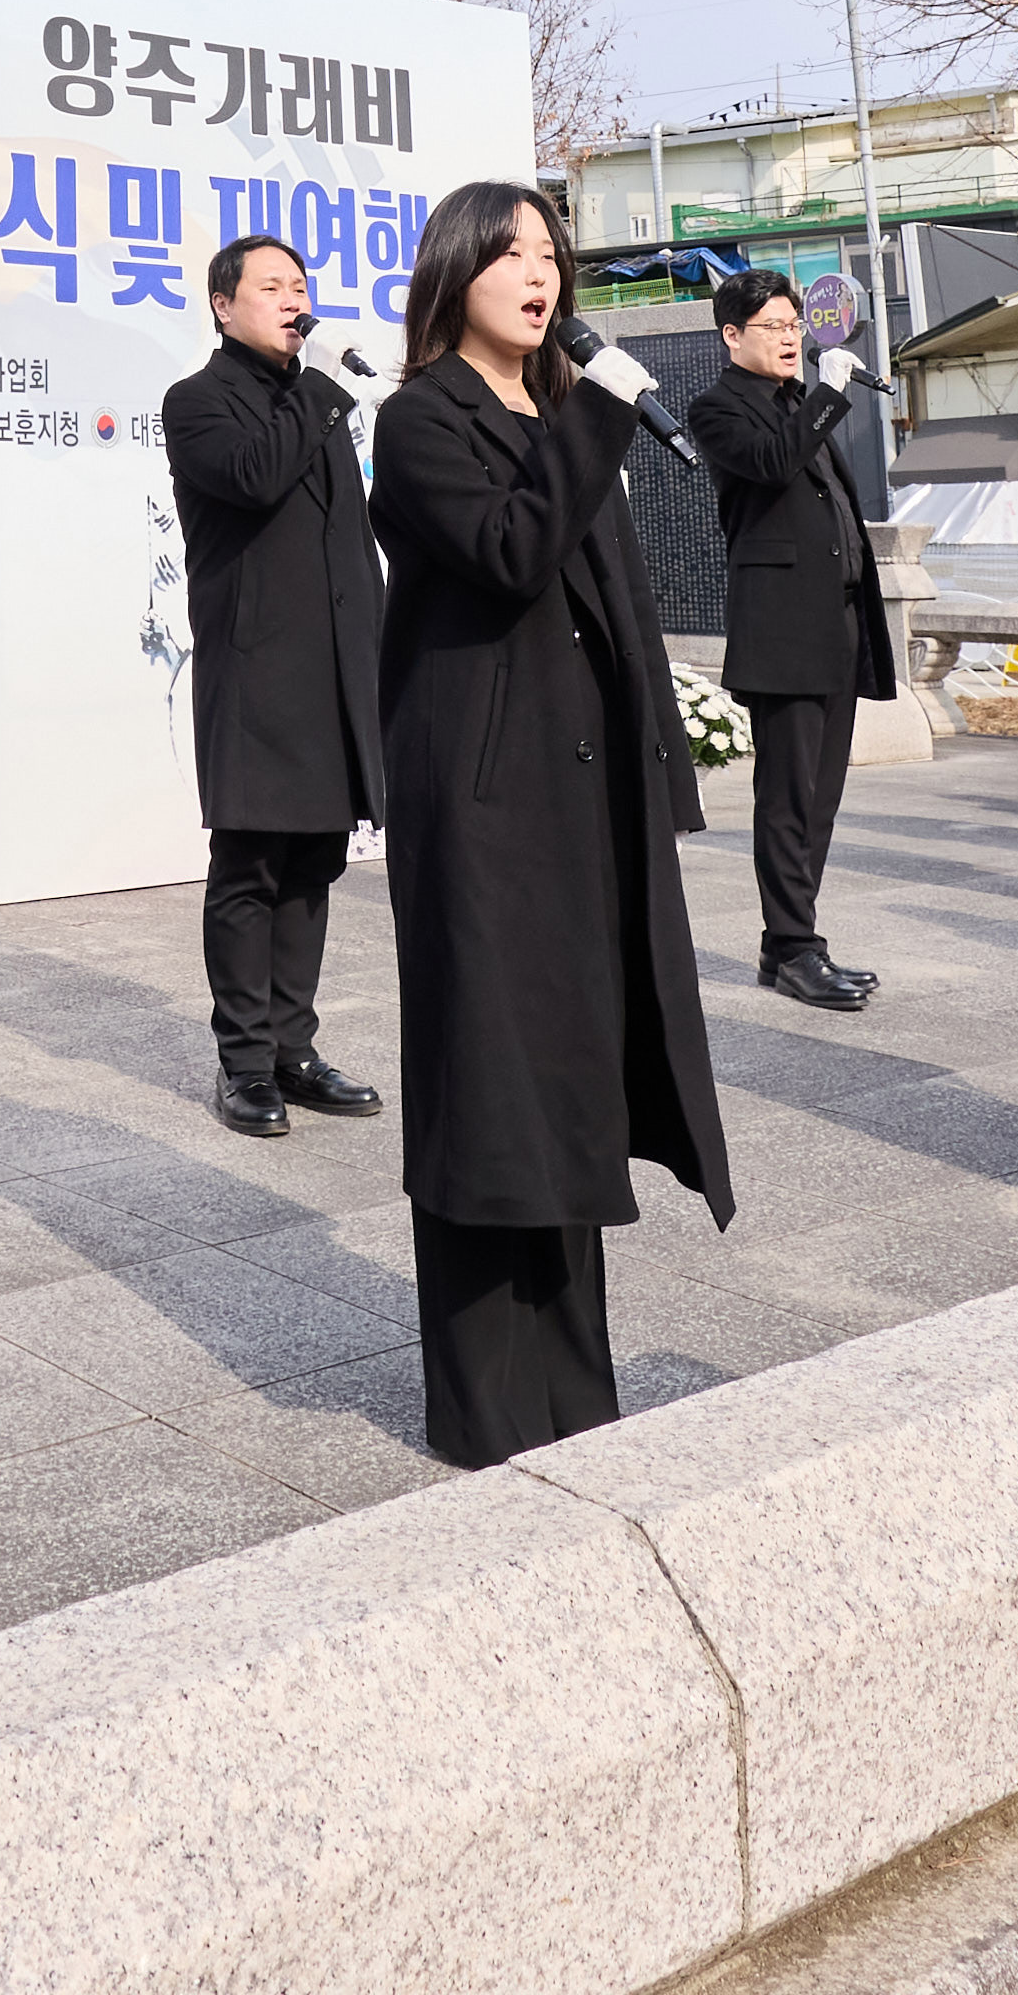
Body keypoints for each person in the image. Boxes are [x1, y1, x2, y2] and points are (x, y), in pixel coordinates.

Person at [368, 181, 734, 1467]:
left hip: (582, 803)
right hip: (481, 812)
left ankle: (578, 1396)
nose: (540, 273)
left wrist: (659, 778)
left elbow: (619, 613)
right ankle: (483, 1409)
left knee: (570, 1085)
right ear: (457, 272)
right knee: (490, 1090)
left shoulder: (565, 409)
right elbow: (513, 551)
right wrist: (607, 420)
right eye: (512, 252)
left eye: (550, 252)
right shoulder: (421, 420)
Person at [161, 232, 390, 1138]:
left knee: (314, 862)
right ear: (224, 306)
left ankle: (295, 1048)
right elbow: (254, 481)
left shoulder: (314, 404)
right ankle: (244, 1063)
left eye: (302, 285)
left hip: (337, 670)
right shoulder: (197, 401)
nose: (296, 301)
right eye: (273, 287)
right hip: (259, 670)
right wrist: (330, 389)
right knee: (251, 867)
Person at [687, 270, 888, 1011]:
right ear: (732, 335)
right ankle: (795, 944)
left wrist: (819, 395)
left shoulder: (803, 402)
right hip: (782, 626)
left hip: (837, 620)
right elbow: (771, 464)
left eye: (794, 324)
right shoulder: (717, 408)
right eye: (772, 325)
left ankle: (791, 943)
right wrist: (829, 395)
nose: (789, 337)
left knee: (822, 797)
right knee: (788, 797)